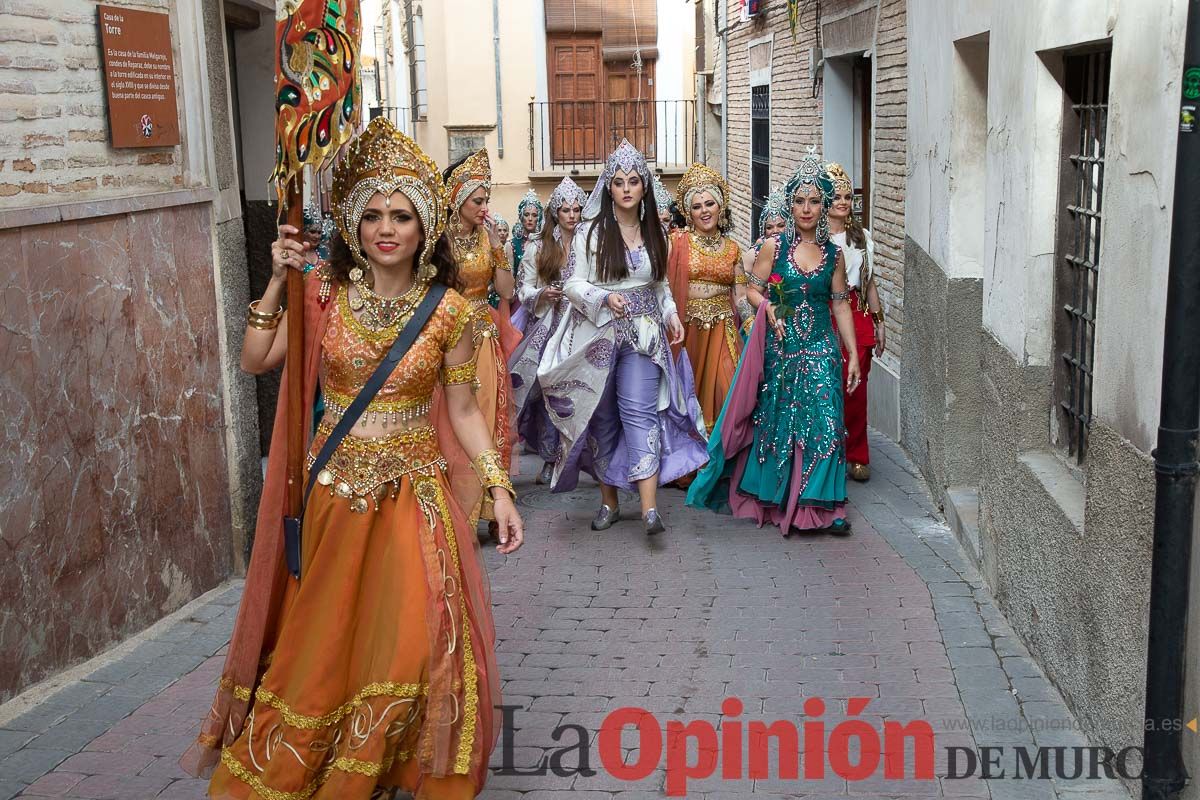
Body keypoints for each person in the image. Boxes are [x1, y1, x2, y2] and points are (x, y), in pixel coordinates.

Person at [182, 117, 522, 799]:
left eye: (401, 214)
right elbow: (256, 361)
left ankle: (391, 764)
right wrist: (279, 281)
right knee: (325, 645)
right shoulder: (323, 297)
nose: (385, 227)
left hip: (415, 503)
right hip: (334, 498)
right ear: (353, 225)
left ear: (426, 227)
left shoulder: (453, 314)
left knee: (411, 644)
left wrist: (499, 487)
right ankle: (311, 763)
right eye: (371, 215)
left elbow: (462, 413)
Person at [537, 139, 708, 535]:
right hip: (599, 337)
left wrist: (670, 314)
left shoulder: (656, 233)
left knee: (640, 412)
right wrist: (603, 295)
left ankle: (649, 510)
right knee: (604, 418)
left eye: (634, 181)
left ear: (644, 186)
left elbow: (660, 285)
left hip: (645, 338)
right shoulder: (591, 234)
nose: (627, 188)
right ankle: (609, 502)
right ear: (608, 187)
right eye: (619, 182)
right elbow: (574, 284)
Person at [687, 147, 861, 536]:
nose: (806, 208)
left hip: (821, 347)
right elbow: (752, 290)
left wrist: (850, 354)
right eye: (799, 200)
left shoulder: (834, 256)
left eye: (815, 201)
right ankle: (782, 495)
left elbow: (841, 305)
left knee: (826, 421)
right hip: (782, 349)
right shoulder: (774, 247)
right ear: (791, 203)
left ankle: (824, 506)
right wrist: (768, 308)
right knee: (782, 420)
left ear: (825, 205)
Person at [443, 149, 521, 533]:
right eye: (478, 200)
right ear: (457, 198)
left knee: (488, 419)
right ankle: (457, 508)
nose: (484, 207)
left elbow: (505, 292)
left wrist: (497, 250)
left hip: (484, 339)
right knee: (450, 419)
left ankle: (494, 507)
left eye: (487, 200)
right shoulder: (438, 241)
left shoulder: (490, 240)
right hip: (449, 338)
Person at [508, 176, 589, 485]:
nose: (571, 215)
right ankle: (549, 457)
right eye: (565, 210)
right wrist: (541, 295)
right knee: (547, 393)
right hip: (549, 325)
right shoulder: (538, 247)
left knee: (578, 389)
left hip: (580, 325)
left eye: (576, 209)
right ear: (555, 213)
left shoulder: (588, 243)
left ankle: (575, 456)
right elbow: (523, 287)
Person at [666, 163, 746, 446]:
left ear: (721, 206)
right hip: (688, 332)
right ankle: (692, 460)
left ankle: (720, 461)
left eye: (710, 203)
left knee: (728, 389)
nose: (705, 211)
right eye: (697, 206)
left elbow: (741, 292)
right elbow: (663, 284)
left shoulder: (733, 249)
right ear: (689, 212)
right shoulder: (678, 243)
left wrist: (752, 322)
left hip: (723, 329)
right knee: (689, 395)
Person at [825, 163, 885, 482]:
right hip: (826, 312)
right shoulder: (816, 238)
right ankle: (829, 450)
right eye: (836, 196)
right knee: (827, 385)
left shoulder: (862, 237)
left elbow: (870, 282)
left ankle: (857, 453)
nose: (843, 201)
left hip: (856, 310)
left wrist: (879, 321)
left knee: (855, 388)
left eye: (848, 196)